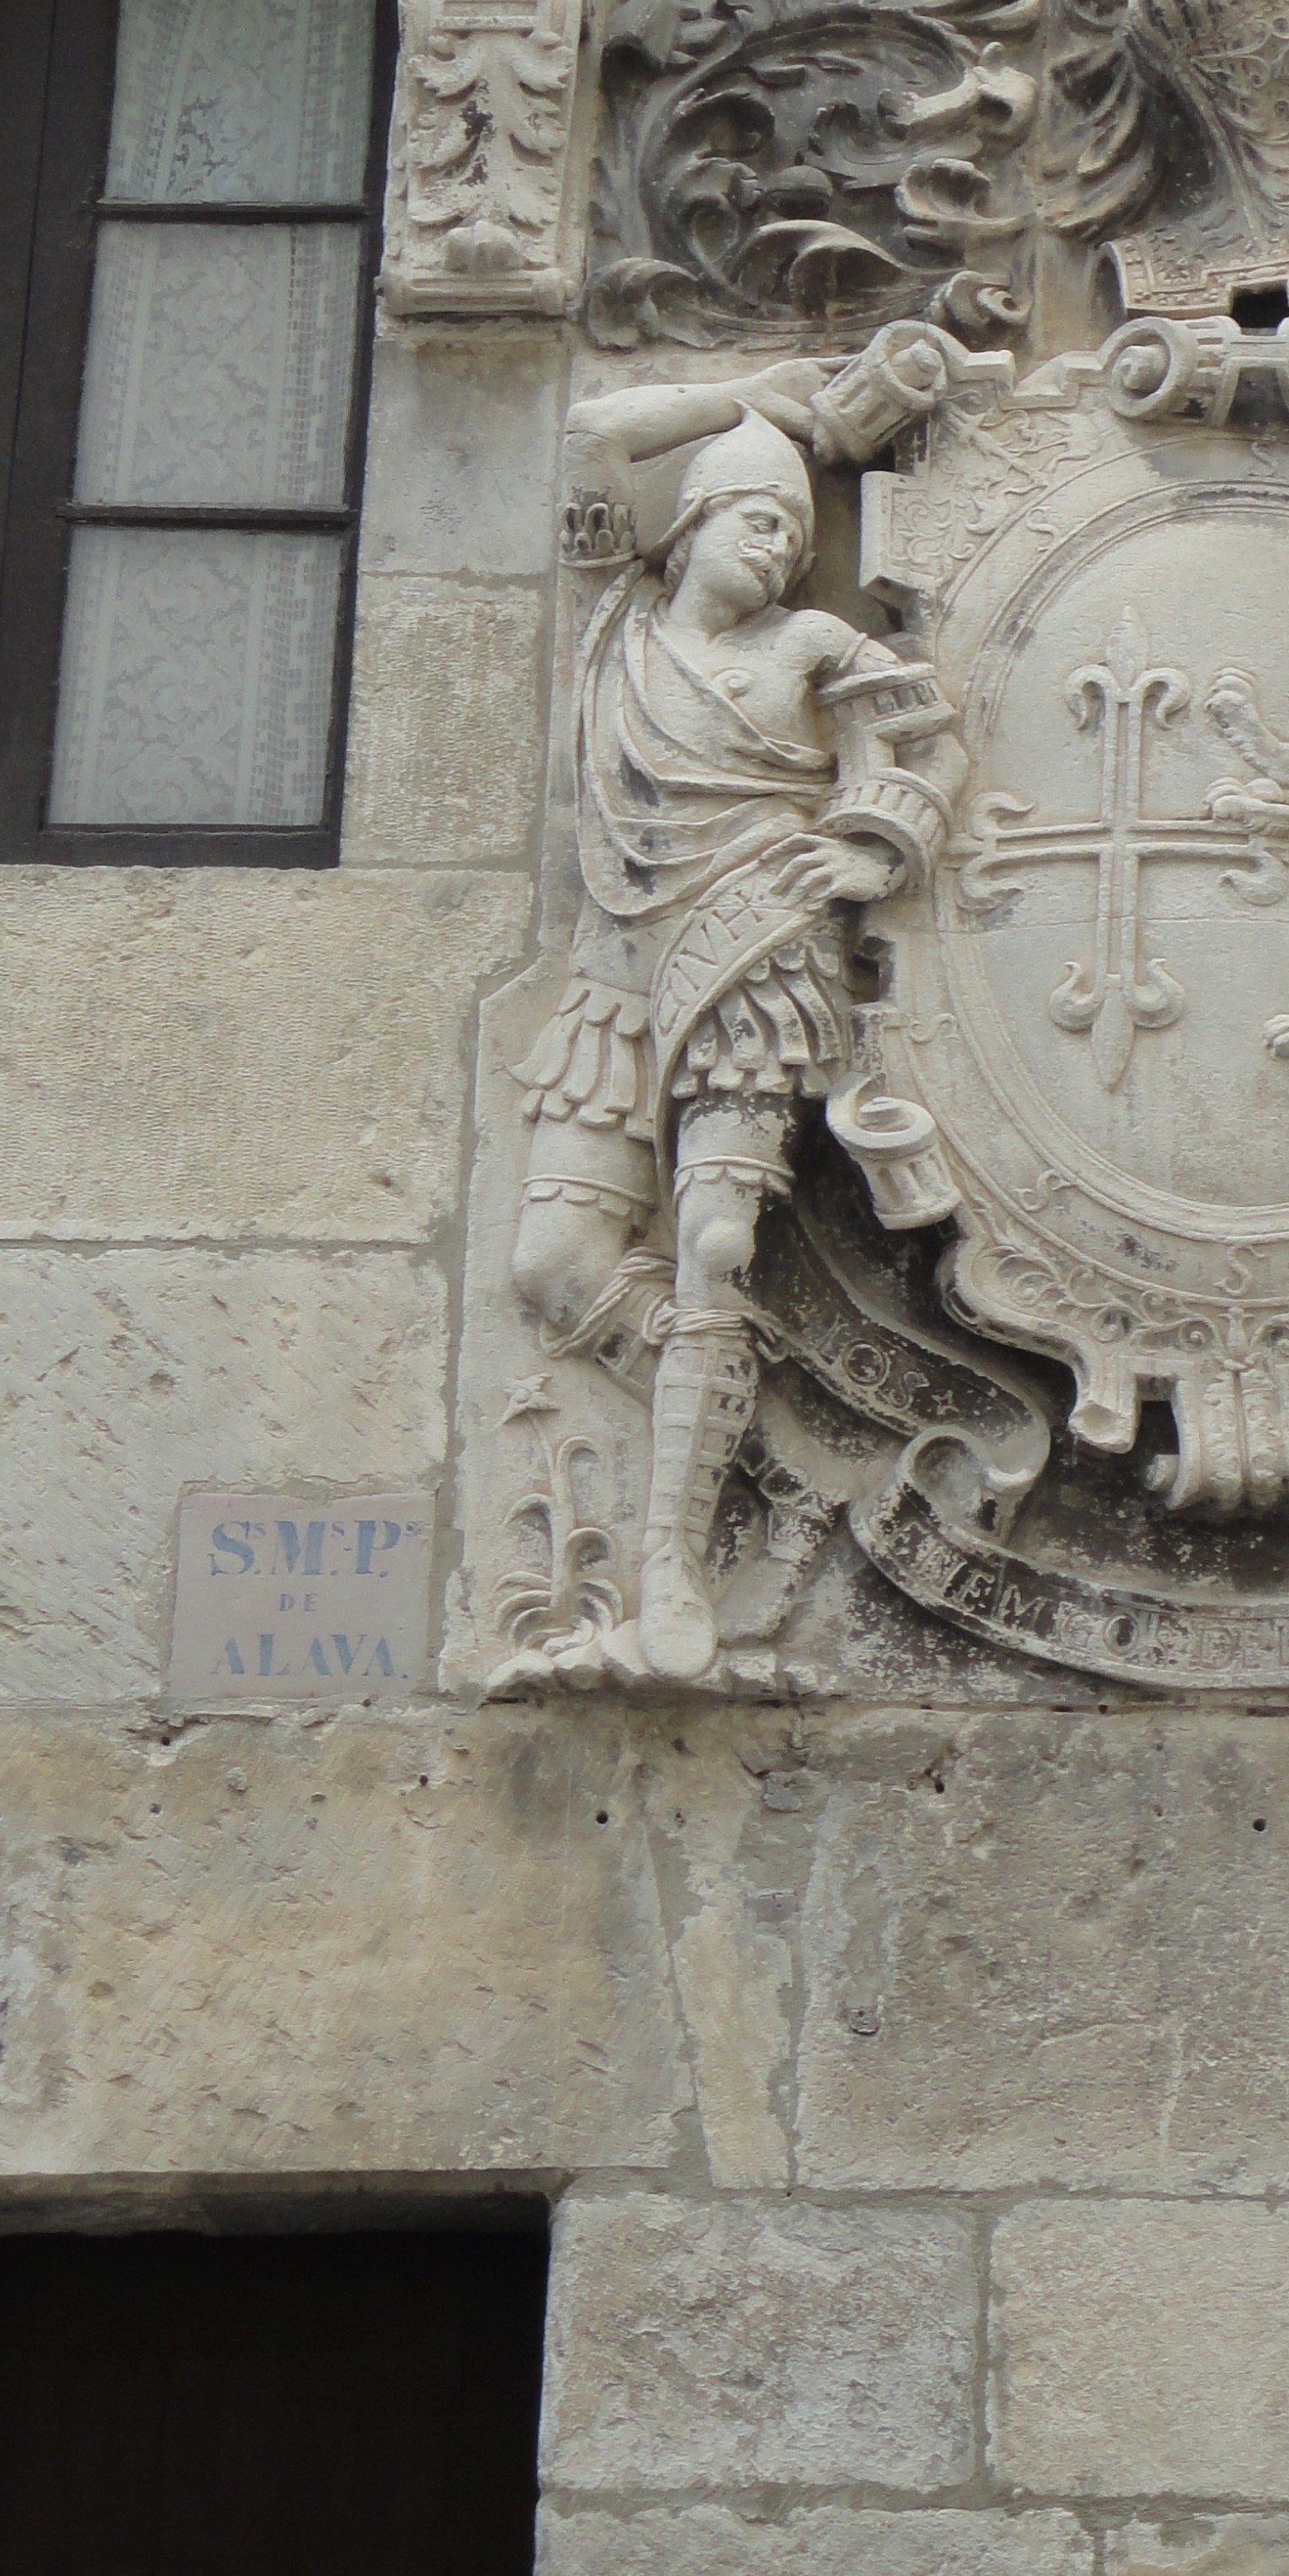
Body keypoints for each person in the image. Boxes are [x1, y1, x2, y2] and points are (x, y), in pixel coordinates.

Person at [510, 375, 961, 1678]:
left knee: (714, 1245)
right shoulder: (611, 621)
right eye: (758, 521)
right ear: (693, 520)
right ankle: (745, 1434)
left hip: (755, 961)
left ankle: (672, 1562)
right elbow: (591, 430)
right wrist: (754, 401)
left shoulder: (811, 645)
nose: (780, 548)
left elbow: (929, 743)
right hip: (616, 973)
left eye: (795, 534)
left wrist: (875, 843)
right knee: (553, 1264)